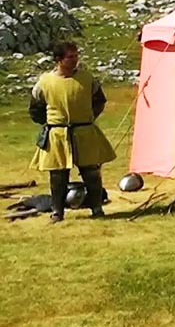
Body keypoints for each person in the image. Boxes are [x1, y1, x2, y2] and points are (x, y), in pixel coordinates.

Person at [29, 41, 116, 223]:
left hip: (84, 131)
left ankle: (97, 208)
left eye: (76, 55)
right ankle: (57, 212)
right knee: (58, 176)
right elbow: (36, 108)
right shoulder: (45, 82)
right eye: (71, 56)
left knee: (91, 173)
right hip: (58, 134)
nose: (75, 60)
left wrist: (88, 117)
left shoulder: (87, 78)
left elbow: (99, 101)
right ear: (59, 60)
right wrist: (51, 124)